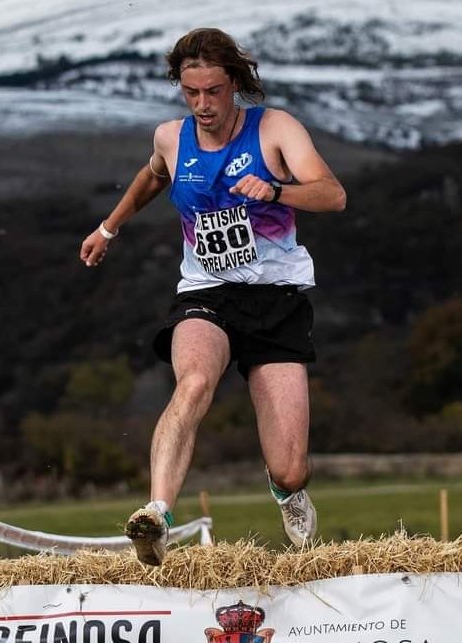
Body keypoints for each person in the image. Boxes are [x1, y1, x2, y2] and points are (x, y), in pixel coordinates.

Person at [78, 28, 346, 566]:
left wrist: (275, 189)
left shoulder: (274, 129)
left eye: (213, 92)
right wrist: (108, 229)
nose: (202, 104)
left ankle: (287, 491)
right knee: (194, 380)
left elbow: (332, 195)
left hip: (276, 299)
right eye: (190, 92)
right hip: (206, 292)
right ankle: (156, 513)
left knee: (290, 465)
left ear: (235, 86)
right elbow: (153, 176)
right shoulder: (171, 138)